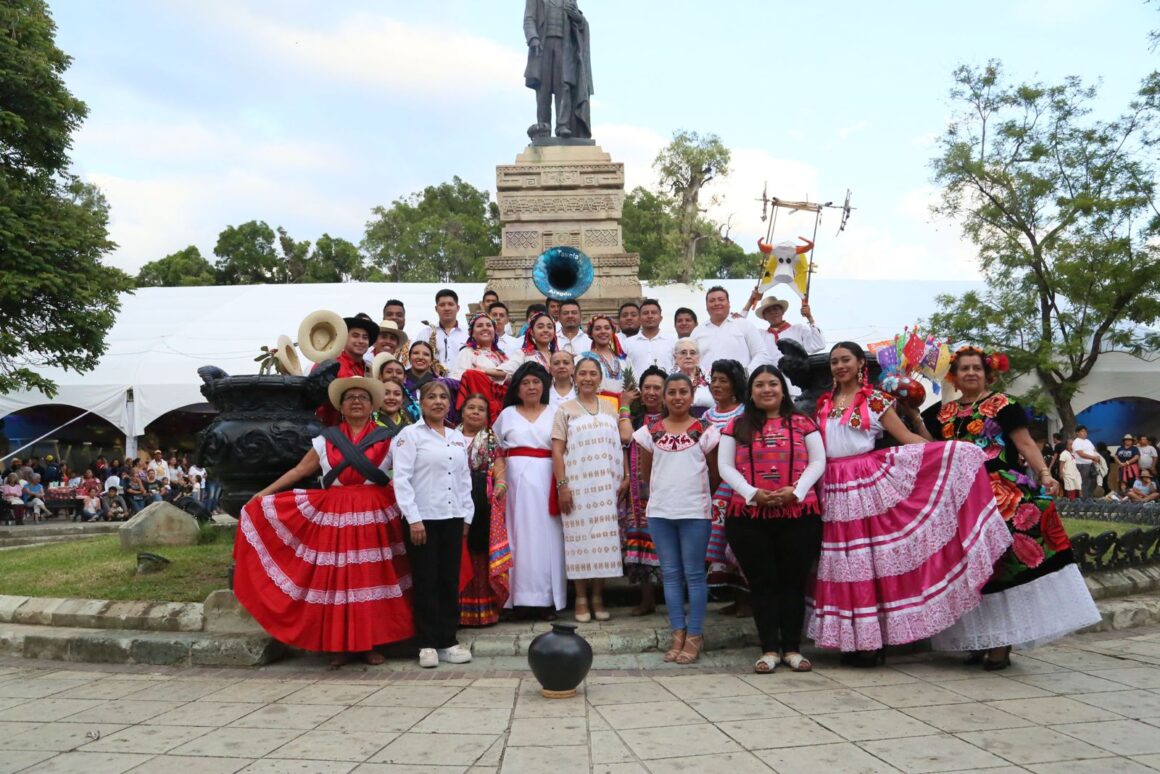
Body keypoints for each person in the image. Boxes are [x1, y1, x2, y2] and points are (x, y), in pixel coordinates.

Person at [810, 342, 1013, 666]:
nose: (838, 366)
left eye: (845, 360)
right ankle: (857, 640)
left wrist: (948, 453)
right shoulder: (824, 403)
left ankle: (872, 644)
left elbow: (906, 438)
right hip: (832, 486)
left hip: (864, 484)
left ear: (861, 363)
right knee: (844, 564)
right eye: (834, 362)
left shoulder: (875, 399)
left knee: (868, 563)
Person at [929, 346, 1101, 669]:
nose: (970, 373)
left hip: (1000, 492)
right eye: (964, 368)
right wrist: (910, 412)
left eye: (976, 369)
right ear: (954, 375)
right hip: (959, 497)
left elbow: (1023, 443)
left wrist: (1046, 473)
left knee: (1003, 566)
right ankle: (979, 638)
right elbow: (925, 445)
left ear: (987, 373)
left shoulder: (1003, 405)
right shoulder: (942, 413)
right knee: (970, 570)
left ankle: (1002, 643)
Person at [234, 375, 414, 667]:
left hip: (377, 514)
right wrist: (263, 495)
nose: (356, 401)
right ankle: (339, 645)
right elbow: (298, 471)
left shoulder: (390, 439)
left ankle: (372, 643)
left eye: (363, 397)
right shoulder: (325, 440)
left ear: (373, 406)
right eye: (350, 397)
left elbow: (409, 473)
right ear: (341, 406)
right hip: (336, 517)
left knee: (373, 578)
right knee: (339, 581)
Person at [719, 365, 826, 674]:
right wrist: (753, 493)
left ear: (783, 389)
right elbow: (725, 467)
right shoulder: (736, 425)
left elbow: (818, 461)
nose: (767, 389)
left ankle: (792, 649)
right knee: (762, 584)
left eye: (773, 384)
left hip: (799, 514)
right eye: (760, 385)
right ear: (750, 392)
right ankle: (768, 650)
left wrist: (797, 490)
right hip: (748, 516)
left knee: (793, 583)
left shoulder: (804, 423)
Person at [633, 372, 720, 665]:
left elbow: (715, 474)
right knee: (670, 574)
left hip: (695, 511)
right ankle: (677, 632)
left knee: (694, 574)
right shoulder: (649, 431)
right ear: (664, 396)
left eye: (684, 392)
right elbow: (646, 474)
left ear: (692, 395)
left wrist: (696, 496)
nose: (678, 397)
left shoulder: (707, 430)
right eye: (672, 392)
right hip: (661, 512)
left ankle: (695, 634)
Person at [389, 381, 474, 668]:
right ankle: (426, 642)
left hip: (452, 517)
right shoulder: (409, 436)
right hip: (422, 519)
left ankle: (448, 639)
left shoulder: (457, 437)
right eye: (431, 397)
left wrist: (467, 516)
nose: (438, 402)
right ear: (421, 402)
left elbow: (464, 480)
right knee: (425, 580)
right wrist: (413, 518)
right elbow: (401, 479)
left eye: (443, 397)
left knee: (449, 579)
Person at [552, 355, 632, 622]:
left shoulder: (610, 408)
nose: (587, 378)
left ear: (600, 379)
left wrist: (626, 475)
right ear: (574, 377)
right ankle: (582, 598)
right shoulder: (565, 410)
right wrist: (563, 486)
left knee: (603, 542)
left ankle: (598, 596)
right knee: (579, 542)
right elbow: (557, 450)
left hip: (606, 488)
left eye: (592, 373)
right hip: (577, 486)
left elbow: (621, 444)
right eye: (582, 373)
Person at [493, 362, 565, 618]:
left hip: (547, 477)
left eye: (536, 382)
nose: (532, 387)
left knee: (547, 536)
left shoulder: (557, 412)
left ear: (544, 385)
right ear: (518, 388)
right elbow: (497, 450)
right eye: (525, 383)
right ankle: (515, 600)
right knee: (516, 536)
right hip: (514, 483)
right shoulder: (507, 414)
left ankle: (546, 600)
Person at [456, 393, 512, 627]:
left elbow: (500, 467)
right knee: (459, 553)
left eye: (481, 409)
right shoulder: (450, 437)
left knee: (478, 553)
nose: (476, 412)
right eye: (471, 407)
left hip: (481, 499)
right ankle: (456, 611)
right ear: (462, 411)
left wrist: (500, 484)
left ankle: (482, 611)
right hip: (455, 497)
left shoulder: (491, 440)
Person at [702, 360, 750, 602]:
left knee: (739, 540)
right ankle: (732, 595)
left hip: (738, 483)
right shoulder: (707, 416)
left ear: (734, 384)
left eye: (723, 380)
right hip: (712, 483)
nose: (717, 385)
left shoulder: (744, 412)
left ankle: (745, 599)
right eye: (714, 379)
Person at [620, 366, 666, 616]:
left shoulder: (674, 418)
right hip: (638, 490)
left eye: (657, 388)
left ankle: (673, 600)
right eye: (646, 387)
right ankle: (647, 599)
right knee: (640, 537)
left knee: (666, 541)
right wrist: (625, 406)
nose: (651, 392)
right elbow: (626, 442)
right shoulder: (636, 420)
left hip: (665, 488)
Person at [691, 286, 765, 373]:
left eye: (721, 299)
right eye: (712, 301)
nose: (717, 303)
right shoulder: (697, 332)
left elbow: (761, 353)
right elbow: (690, 360)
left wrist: (746, 374)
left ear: (729, 303)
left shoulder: (744, 325)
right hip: (707, 385)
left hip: (741, 384)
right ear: (706, 306)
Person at [451, 313, 510, 421]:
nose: (485, 328)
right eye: (479, 326)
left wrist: (484, 371)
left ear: (494, 331)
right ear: (472, 333)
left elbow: (512, 376)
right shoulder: (467, 352)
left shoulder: (502, 355)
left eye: (488, 325)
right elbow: (458, 380)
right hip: (481, 406)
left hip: (505, 405)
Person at [751, 296, 825, 367]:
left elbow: (819, 344)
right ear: (764, 317)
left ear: (782, 311)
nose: (773, 312)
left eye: (775, 309)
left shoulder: (798, 329)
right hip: (771, 378)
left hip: (795, 377)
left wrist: (809, 317)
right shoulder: (760, 335)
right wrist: (750, 302)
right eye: (768, 311)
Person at [582, 315, 635, 412]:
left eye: (607, 328)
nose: (603, 331)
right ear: (591, 333)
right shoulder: (583, 359)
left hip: (622, 408)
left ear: (612, 332)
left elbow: (633, 385)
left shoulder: (624, 360)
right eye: (598, 329)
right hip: (594, 408)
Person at [624, 299, 675, 376]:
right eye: (645, 313)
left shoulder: (672, 341)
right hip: (635, 387)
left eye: (654, 313)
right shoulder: (627, 343)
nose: (650, 316)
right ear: (639, 318)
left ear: (661, 318)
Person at [673, 338, 713, 413]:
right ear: (675, 357)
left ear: (698, 357)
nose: (688, 356)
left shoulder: (710, 378)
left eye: (692, 353)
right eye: (683, 352)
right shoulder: (669, 379)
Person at [1071, 425, 1100, 498]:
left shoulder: (1088, 441)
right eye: (1082, 431)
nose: (1085, 433)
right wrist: (1093, 457)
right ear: (1077, 433)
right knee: (1085, 483)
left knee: (1094, 482)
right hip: (1082, 465)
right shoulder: (1076, 442)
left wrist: (1096, 457)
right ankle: (1085, 500)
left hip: (1091, 464)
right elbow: (1081, 454)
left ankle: (1090, 497)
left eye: (1086, 431)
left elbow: (1094, 450)